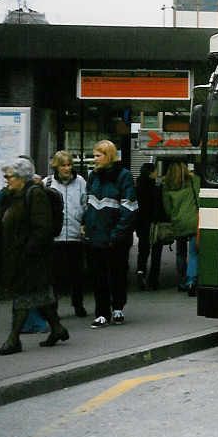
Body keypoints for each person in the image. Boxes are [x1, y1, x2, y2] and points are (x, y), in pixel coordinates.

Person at [0, 157, 69, 355]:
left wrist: (27, 252)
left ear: (21, 177)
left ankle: (14, 339)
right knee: (41, 296)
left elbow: (42, 228)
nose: (6, 180)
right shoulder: (12, 195)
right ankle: (57, 329)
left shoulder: (35, 194)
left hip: (31, 258)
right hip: (16, 256)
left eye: (9, 176)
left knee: (22, 297)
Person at [83, 140, 137, 328]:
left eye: (98, 155)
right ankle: (102, 313)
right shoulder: (93, 176)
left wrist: (116, 234)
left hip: (116, 239)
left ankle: (118, 308)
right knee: (98, 277)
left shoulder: (124, 176)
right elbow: (88, 204)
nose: (94, 159)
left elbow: (129, 207)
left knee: (117, 274)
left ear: (109, 157)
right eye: (94, 155)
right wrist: (87, 227)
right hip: (96, 236)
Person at [46, 151, 88, 317]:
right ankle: (53, 307)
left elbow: (85, 204)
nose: (67, 168)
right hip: (55, 236)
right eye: (63, 165)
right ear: (56, 166)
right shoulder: (47, 183)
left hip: (75, 234)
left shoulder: (80, 182)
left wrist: (83, 223)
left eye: (69, 165)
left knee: (77, 274)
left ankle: (78, 304)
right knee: (54, 275)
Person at [162, 161, 200, 296]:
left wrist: (174, 216)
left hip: (178, 222)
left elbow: (167, 208)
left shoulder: (167, 185)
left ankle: (182, 281)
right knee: (194, 253)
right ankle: (192, 281)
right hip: (194, 221)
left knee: (180, 253)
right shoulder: (194, 180)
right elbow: (200, 200)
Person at [134, 162, 165, 290]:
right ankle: (153, 279)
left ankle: (141, 271)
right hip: (154, 224)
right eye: (155, 171)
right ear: (151, 173)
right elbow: (159, 207)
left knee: (143, 250)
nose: (157, 173)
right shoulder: (156, 189)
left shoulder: (136, 188)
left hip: (141, 223)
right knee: (156, 252)